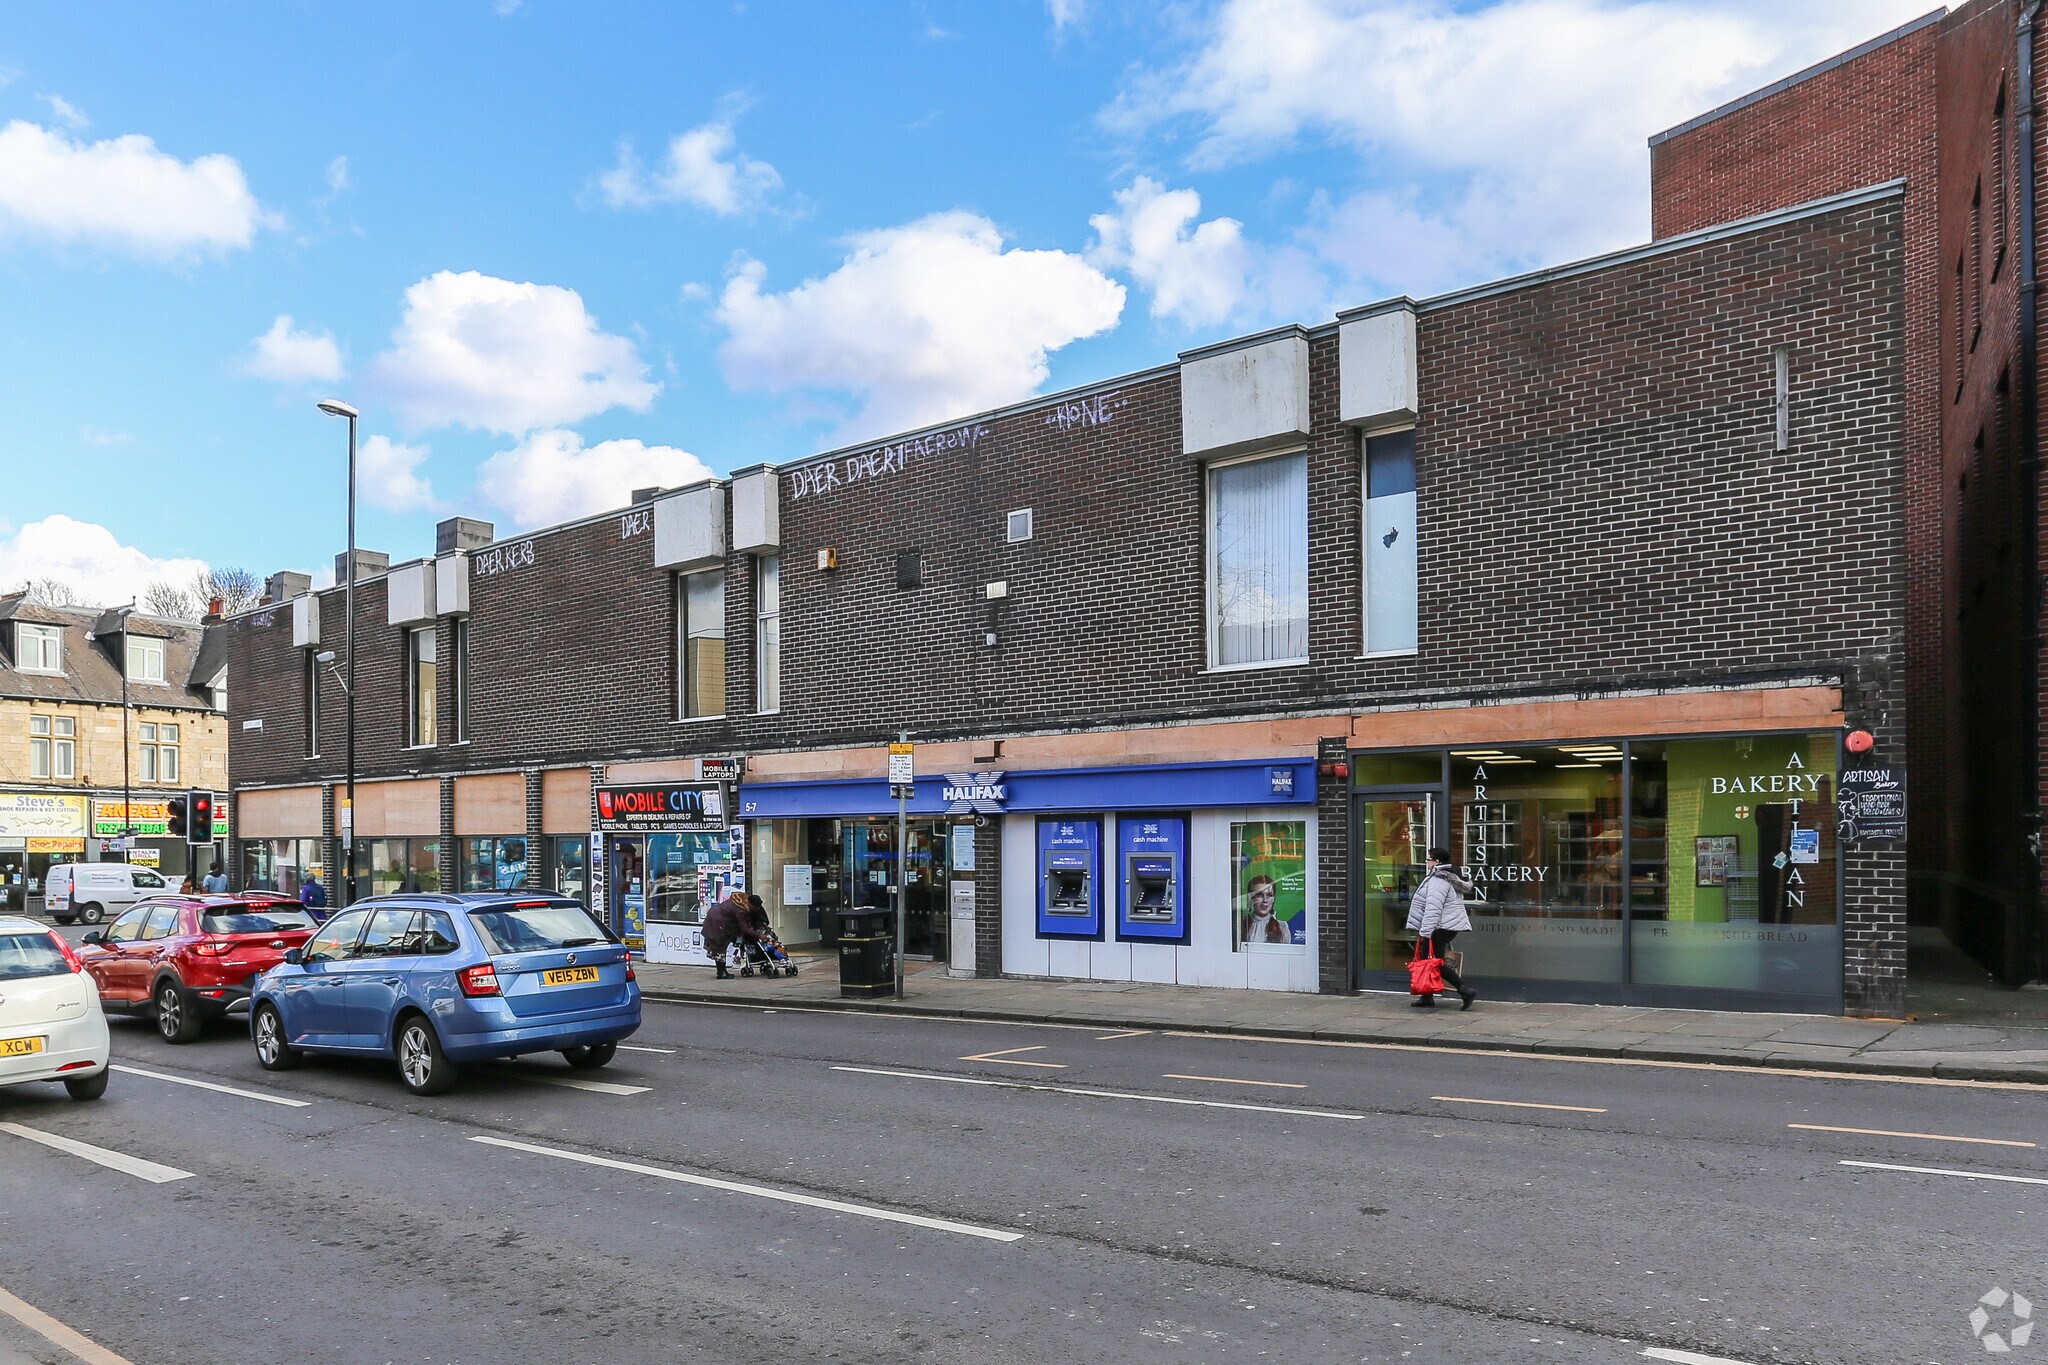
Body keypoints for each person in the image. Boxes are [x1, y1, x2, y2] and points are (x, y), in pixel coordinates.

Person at [1406, 846, 1476, 1009]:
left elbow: (1433, 907)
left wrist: (1425, 932)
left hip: (1439, 927)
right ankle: (1426, 997)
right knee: (1428, 961)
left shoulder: (1439, 880)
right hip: (1446, 927)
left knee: (1433, 962)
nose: (1427, 862)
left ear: (1437, 862)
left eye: (1429, 859)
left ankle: (1465, 990)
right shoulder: (1447, 877)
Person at [700, 891, 758, 979]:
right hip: (718, 923)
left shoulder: (740, 901)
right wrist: (759, 935)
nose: (757, 910)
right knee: (720, 946)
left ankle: (721, 971)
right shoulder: (741, 910)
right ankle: (722, 973)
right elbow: (744, 928)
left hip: (715, 917)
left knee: (719, 946)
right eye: (756, 908)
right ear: (751, 905)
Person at [1239, 875, 1289, 945]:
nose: (1265, 900)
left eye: (1269, 895)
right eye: (1259, 895)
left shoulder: (1282, 926)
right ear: (1250, 898)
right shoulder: (1241, 926)